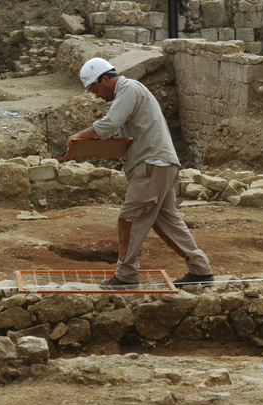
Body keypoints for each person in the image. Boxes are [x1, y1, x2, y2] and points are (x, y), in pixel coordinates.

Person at [66, 57, 213, 289]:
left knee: (130, 218)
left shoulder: (129, 89)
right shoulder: (132, 93)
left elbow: (109, 123)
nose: (96, 96)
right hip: (161, 164)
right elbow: (124, 138)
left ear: (105, 79)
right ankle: (200, 270)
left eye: (95, 89)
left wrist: (78, 137)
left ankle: (125, 274)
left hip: (152, 165)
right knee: (167, 221)